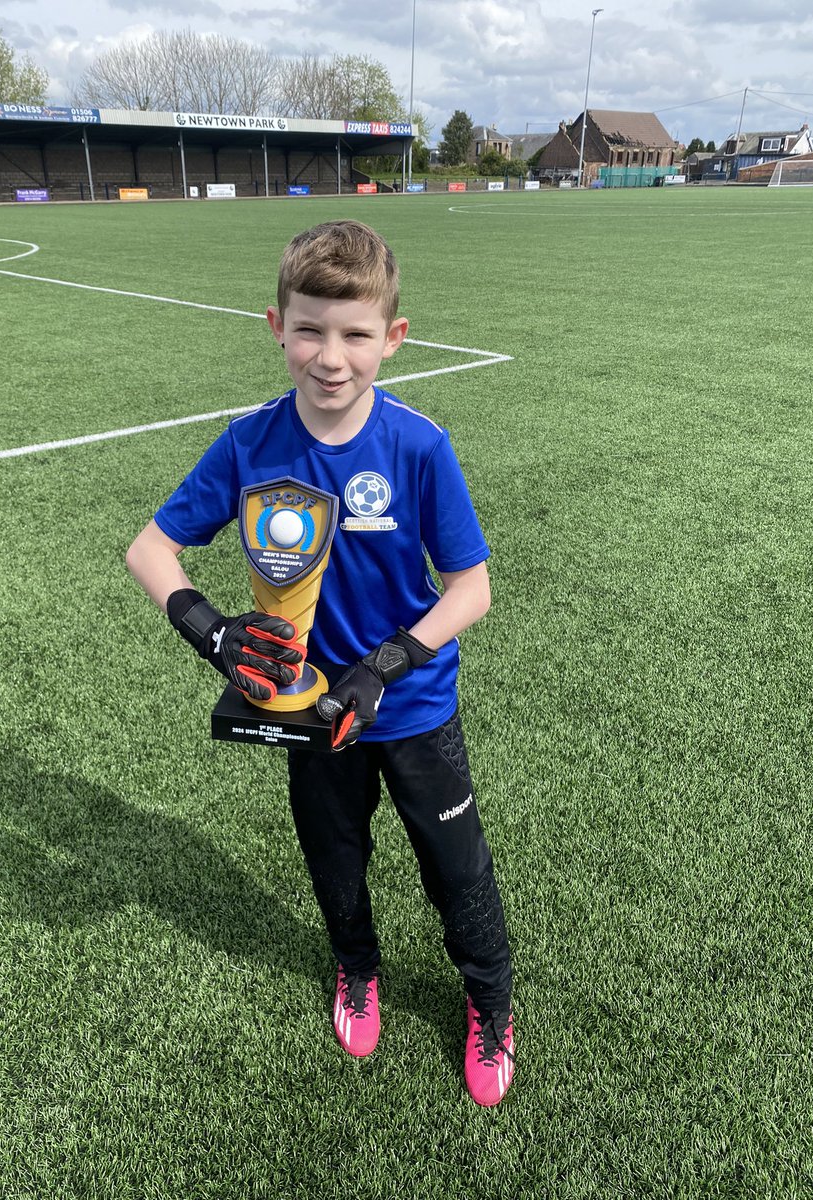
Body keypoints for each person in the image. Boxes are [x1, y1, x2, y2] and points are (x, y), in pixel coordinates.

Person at [125, 219, 514, 1107]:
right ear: (276, 326)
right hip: (307, 713)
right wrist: (211, 630)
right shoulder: (250, 442)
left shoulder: (419, 447)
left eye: (355, 334)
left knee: (455, 867)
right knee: (335, 858)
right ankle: (356, 970)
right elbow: (151, 549)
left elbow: (471, 589)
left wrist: (385, 664)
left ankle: (490, 999)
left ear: (394, 339)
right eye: (310, 329)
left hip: (409, 709)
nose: (330, 357)